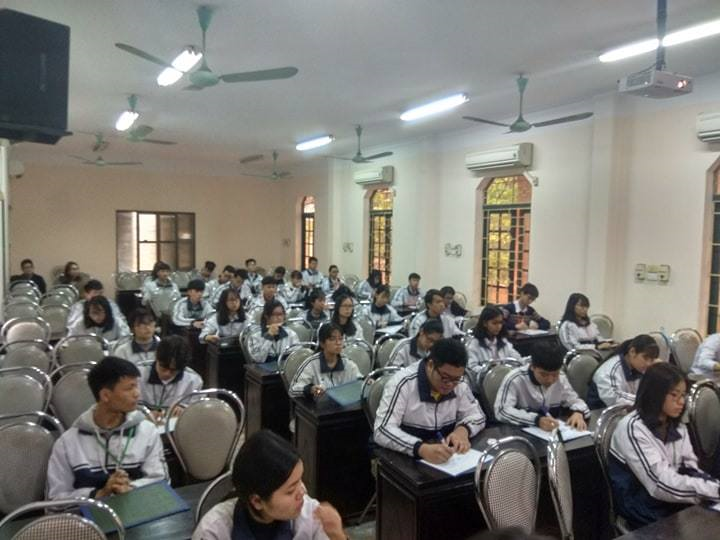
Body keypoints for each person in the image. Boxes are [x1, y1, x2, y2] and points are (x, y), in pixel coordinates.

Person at [609, 362, 720, 529]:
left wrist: (713, 486)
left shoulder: (676, 424)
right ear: (656, 394)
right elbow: (659, 485)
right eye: (674, 395)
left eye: (683, 395)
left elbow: (689, 467)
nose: (681, 402)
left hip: (673, 498)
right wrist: (714, 491)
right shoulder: (632, 428)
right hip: (642, 505)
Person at [46, 357, 168, 499]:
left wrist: (130, 488)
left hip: (140, 506)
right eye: (130, 388)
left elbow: (161, 480)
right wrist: (99, 494)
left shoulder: (147, 431)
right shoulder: (68, 443)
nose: (137, 393)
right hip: (90, 512)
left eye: (137, 386)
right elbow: (56, 499)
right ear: (105, 395)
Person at [192, 429, 347, 540]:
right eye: (290, 490)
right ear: (257, 501)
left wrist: (338, 536)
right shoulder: (214, 531)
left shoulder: (311, 516)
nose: (302, 492)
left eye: (300, 480)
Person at [374, 339, 486, 463]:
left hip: (445, 456)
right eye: (445, 378)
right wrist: (420, 448)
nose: (450, 384)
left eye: (456, 379)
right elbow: (382, 429)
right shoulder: (403, 383)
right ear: (431, 365)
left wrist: (463, 430)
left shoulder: (460, 383)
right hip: (405, 458)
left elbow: (478, 415)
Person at [494, 342, 589, 431]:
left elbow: (575, 401)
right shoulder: (515, 379)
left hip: (553, 431)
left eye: (555, 374)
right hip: (521, 432)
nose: (550, 380)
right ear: (532, 366)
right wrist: (536, 420)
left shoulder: (561, 377)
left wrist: (578, 412)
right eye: (544, 374)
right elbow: (502, 411)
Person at [138, 335, 203, 420]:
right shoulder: (138, 373)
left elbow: (195, 412)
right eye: (163, 368)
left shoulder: (194, 380)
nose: (167, 374)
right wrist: (145, 413)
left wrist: (184, 409)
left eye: (173, 370)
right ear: (156, 356)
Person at [289, 323, 362, 399]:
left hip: (344, 403)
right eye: (332, 339)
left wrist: (366, 382)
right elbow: (293, 390)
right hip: (319, 404)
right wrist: (310, 389)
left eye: (340, 339)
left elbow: (360, 381)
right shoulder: (311, 363)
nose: (338, 343)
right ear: (322, 344)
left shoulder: (347, 362)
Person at [586, 334, 658, 409]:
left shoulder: (639, 368)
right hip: (601, 412)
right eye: (645, 358)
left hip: (627, 410)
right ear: (632, 352)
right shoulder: (610, 371)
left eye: (652, 360)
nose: (648, 363)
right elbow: (615, 399)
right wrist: (644, 400)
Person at [466, 306, 523, 392]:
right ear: (485, 323)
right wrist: (488, 369)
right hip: (484, 387)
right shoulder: (474, 344)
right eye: (494, 323)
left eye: (500, 323)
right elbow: (471, 369)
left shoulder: (503, 342)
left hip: (504, 382)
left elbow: (517, 359)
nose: (499, 326)